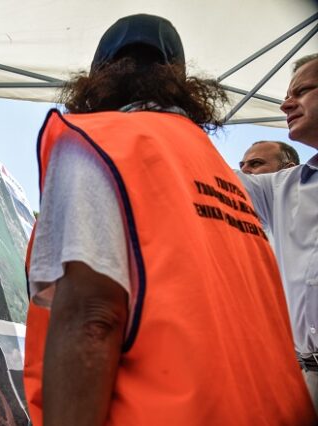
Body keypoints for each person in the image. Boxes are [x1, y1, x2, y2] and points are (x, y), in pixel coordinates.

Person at [23, 14, 315, 426]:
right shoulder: (209, 163)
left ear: (96, 77)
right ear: (180, 81)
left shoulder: (97, 142)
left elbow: (91, 317)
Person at [238, 53, 318, 414]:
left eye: (301, 91)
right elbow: (207, 177)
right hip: (304, 375)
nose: (285, 103)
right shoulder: (281, 190)